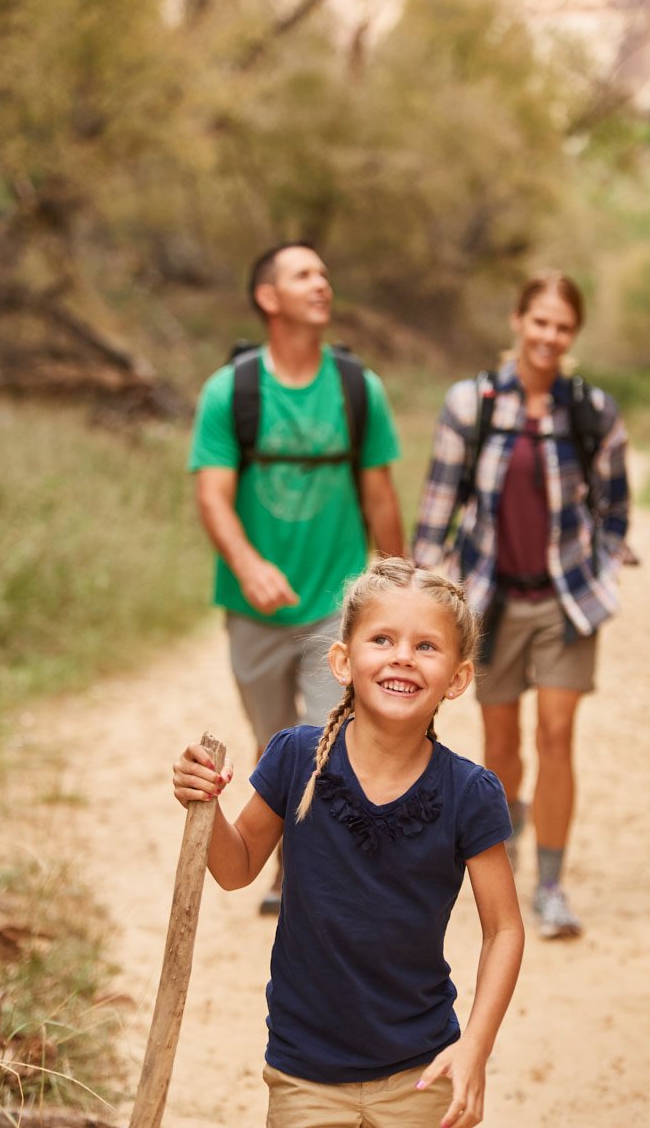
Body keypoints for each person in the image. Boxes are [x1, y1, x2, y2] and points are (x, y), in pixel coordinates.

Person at [173, 557, 523, 1128]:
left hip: (422, 1071)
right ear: (342, 661)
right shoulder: (294, 758)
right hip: (304, 1071)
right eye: (382, 639)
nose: (403, 657)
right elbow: (236, 869)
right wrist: (204, 804)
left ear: (458, 679)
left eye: (427, 646)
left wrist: (476, 1049)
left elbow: (504, 928)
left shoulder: (470, 793)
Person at [412, 270, 631, 940]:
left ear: (573, 335)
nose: (549, 336)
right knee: (501, 745)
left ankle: (553, 886)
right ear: (518, 320)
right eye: (539, 321)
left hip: (565, 603)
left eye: (562, 327)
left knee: (558, 735)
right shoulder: (471, 403)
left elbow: (616, 509)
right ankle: (499, 858)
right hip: (491, 602)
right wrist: (424, 593)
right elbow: (438, 508)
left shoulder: (591, 411)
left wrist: (601, 565)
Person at [188, 241, 404, 914]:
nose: (322, 283)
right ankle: (280, 851)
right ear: (268, 297)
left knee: (327, 736)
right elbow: (213, 495)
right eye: (303, 274)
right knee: (274, 738)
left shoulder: (356, 388)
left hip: (333, 605)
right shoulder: (232, 391)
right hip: (253, 607)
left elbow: (379, 493)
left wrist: (397, 588)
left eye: (324, 273)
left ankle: (305, 872)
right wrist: (249, 567)